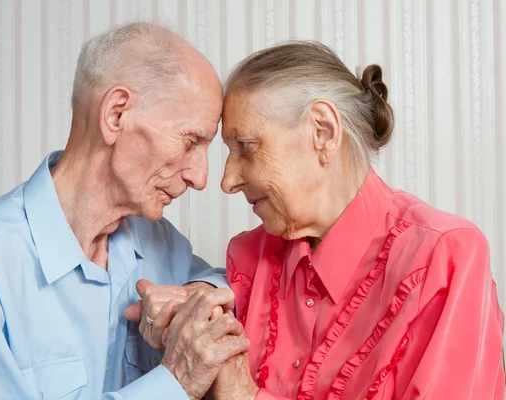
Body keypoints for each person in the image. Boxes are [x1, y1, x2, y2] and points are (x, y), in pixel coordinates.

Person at [138, 41, 505, 399]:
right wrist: (190, 312)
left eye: (246, 146)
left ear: (323, 132)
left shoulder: (445, 257)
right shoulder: (248, 256)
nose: (227, 180)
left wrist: (243, 394)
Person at [0, 23, 248, 400]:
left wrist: (194, 297)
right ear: (116, 115)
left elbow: (228, 285)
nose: (200, 177)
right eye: (191, 142)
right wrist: (174, 383)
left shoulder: (159, 242)